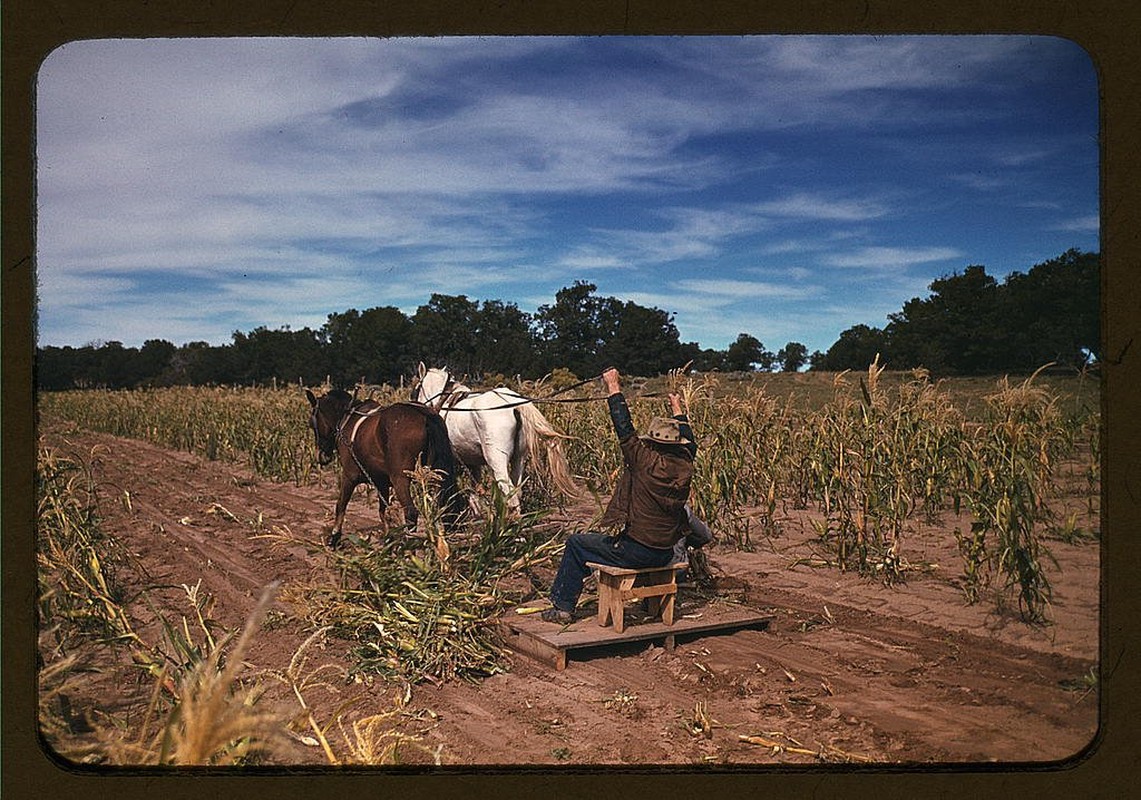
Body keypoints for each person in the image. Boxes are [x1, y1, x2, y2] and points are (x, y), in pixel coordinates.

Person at [543, 367, 700, 623]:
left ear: (652, 442)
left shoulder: (643, 460)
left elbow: (623, 427)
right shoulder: (685, 463)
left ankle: (562, 607)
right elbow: (690, 439)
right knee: (591, 544)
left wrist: (613, 386)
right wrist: (677, 406)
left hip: (637, 551)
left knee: (576, 544)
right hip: (665, 551)